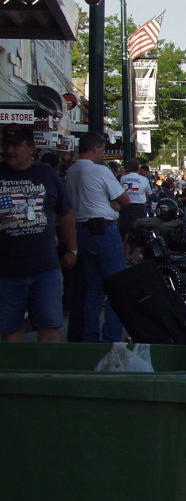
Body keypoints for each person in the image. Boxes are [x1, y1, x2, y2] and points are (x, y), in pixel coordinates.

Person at [0, 124, 78, 342]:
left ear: (31, 148)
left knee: (49, 325)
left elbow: (66, 213)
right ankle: (18, 374)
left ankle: (49, 374)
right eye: (6, 145)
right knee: (10, 329)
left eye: (16, 145)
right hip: (6, 271)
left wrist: (72, 249)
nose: (9, 151)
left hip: (45, 269)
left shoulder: (46, 175)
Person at [65, 132, 128, 343]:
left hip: (81, 231)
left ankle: (89, 337)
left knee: (93, 288)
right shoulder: (99, 169)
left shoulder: (72, 170)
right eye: (101, 150)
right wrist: (115, 201)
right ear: (95, 148)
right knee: (118, 286)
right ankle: (111, 337)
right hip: (104, 231)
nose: (102, 154)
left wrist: (110, 202)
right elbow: (125, 198)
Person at [119, 159, 152, 261]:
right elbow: (149, 193)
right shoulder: (144, 179)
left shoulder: (123, 178)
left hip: (126, 206)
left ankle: (126, 255)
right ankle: (136, 256)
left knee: (127, 231)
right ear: (138, 169)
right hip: (139, 206)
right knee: (139, 231)